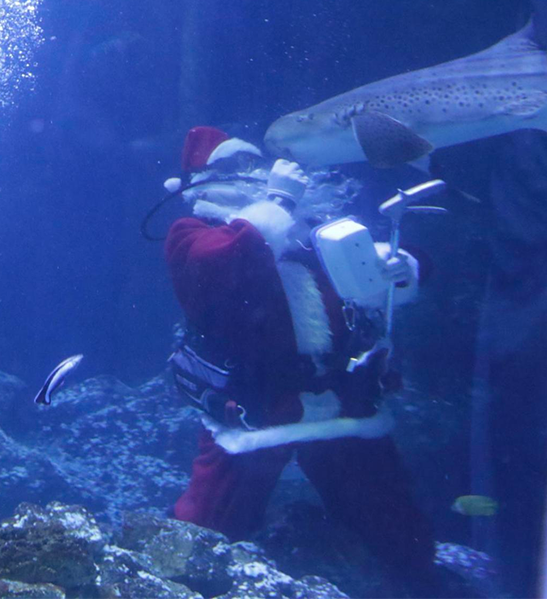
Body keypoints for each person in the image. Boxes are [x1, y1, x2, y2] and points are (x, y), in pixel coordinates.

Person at [163, 126, 440, 594]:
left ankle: (418, 581)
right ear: (198, 181)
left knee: (392, 519)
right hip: (255, 408)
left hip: (341, 400)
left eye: (252, 162)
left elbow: (360, 284)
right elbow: (218, 266)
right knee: (208, 526)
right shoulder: (192, 232)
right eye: (232, 167)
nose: (249, 174)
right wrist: (278, 206)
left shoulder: (307, 235)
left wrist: (396, 268)